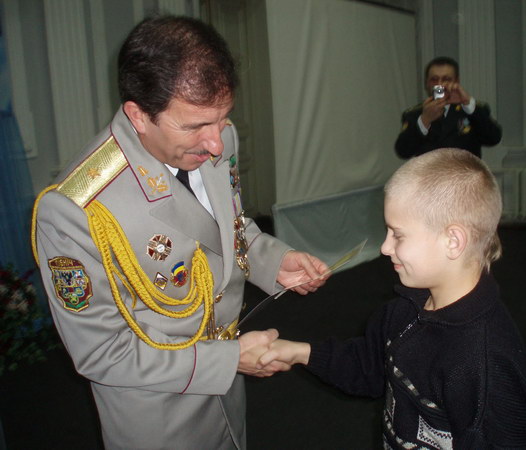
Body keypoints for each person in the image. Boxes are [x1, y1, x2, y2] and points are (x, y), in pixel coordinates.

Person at [31, 15, 329, 450]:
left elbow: (225, 226)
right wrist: (228, 360)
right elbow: (101, 352)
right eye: (194, 126)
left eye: (222, 119)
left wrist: (272, 260)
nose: (216, 143)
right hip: (159, 416)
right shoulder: (76, 209)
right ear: (138, 115)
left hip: (229, 392)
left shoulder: (218, 138)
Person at [260, 148, 526, 449]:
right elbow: (369, 367)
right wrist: (297, 352)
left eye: (398, 235)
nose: (385, 248)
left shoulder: (484, 366)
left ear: (453, 241)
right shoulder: (403, 311)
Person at [395, 56, 502, 159]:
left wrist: (467, 103)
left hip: (464, 171)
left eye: (446, 79)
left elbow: (493, 139)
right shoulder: (415, 114)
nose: (440, 84)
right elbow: (403, 151)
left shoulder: (471, 109)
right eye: (434, 79)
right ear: (426, 83)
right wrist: (424, 120)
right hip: (430, 172)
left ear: (456, 81)